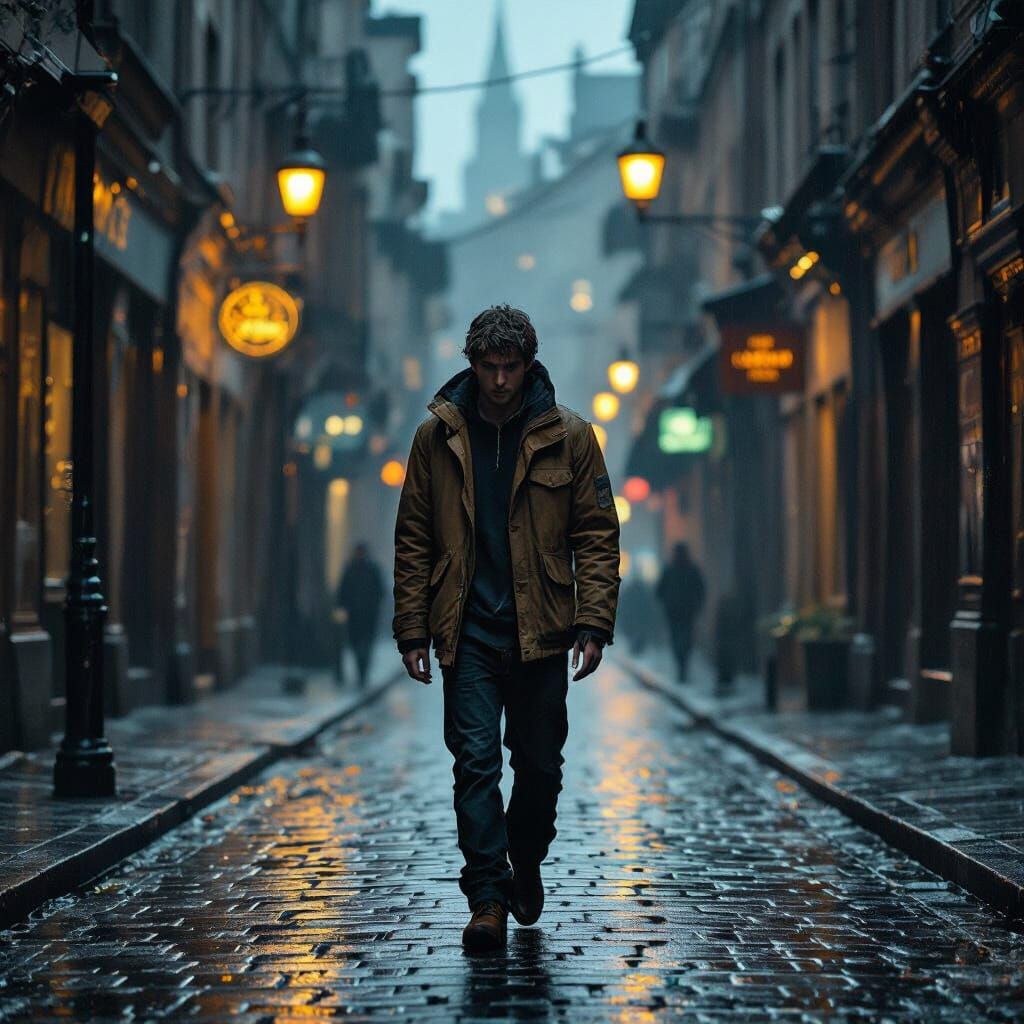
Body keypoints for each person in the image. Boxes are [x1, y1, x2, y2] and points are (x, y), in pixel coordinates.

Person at [393, 304, 620, 952]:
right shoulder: (435, 438)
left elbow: (597, 536)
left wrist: (593, 621)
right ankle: (487, 896)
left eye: (510, 367)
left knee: (541, 768)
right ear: (472, 364)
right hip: (467, 632)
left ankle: (526, 858)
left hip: (542, 631)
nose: (499, 381)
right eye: (488, 367)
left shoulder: (569, 437)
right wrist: (413, 629)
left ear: (528, 363)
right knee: (475, 764)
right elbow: (413, 536)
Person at [335, 542, 385, 688]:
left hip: (369, 616)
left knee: (366, 646)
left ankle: (362, 675)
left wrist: (374, 605)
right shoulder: (350, 569)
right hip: (354, 616)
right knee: (356, 645)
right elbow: (342, 591)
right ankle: (360, 673)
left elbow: (380, 591)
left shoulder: (372, 570)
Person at [655, 542, 706, 683]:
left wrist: (665, 602)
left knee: (678, 639)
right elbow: (701, 589)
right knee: (685, 639)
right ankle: (683, 666)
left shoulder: (670, 570)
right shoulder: (690, 570)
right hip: (685, 612)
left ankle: (681, 666)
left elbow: (658, 591)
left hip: (675, 612)